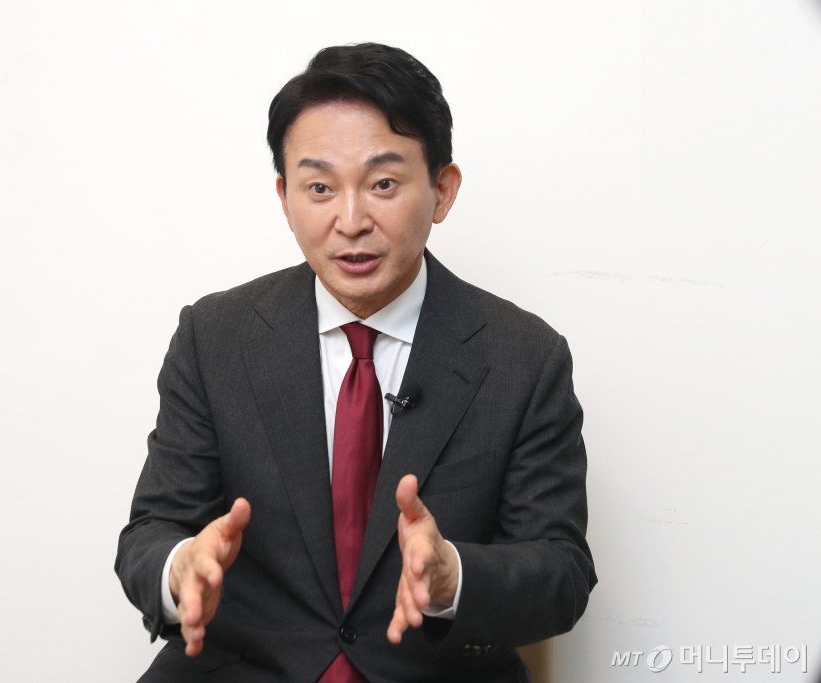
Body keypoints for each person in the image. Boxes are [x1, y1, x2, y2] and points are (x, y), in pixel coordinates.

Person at [115, 43, 596, 683]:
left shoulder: (522, 357)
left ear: (443, 190)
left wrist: (453, 575)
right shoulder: (216, 337)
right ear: (285, 198)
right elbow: (151, 530)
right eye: (319, 187)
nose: (350, 221)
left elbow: (563, 572)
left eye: (383, 184)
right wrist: (180, 568)